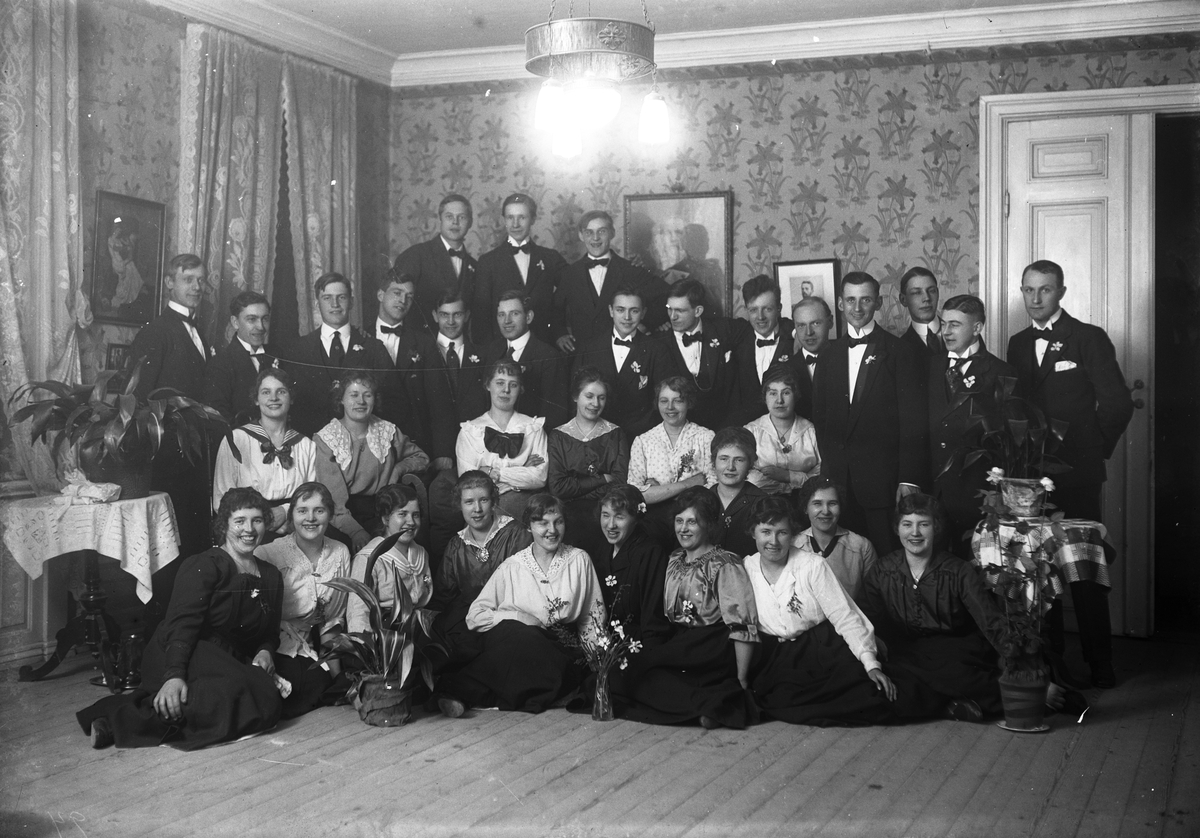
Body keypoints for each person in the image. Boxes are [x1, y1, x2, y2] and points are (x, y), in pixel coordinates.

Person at [1006, 259, 1134, 689]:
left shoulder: (1087, 338)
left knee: (1083, 570)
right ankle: (1052, 664)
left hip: (1077, 475)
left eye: (1044, 289)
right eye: (1028, 290)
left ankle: (1101, 665)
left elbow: (1117, 404)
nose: (1035, 298)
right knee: (1040, 570)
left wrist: (1092, 451)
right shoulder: (1017, 343)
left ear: (1061, 292)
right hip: (1031, 481)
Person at [77, 488, 284, 750]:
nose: (249, 530)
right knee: (246, 692)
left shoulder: (271, 575)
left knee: (262, 694)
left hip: (225, 659)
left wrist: (265, 650)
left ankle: (121, 720)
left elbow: (270, 632)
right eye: (240, 521)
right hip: (183, 650)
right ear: (224, 525)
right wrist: (174, 676)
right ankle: (120, 719)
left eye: (257, 520)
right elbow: (181, 624)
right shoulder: (205, 565)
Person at [437, 493, 605, 716]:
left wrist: (597, 660)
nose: (552, 530)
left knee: (526, 646)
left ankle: (461, 693)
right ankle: (464, 693)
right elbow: (474, 616)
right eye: (542, 523)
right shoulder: (513, 566)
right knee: (520, 636)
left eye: (558, 522)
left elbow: (592, 616)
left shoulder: (578, 560)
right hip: (517, 643)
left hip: (559, 648)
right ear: (528, 527)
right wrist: (517, 616)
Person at [744, 497, 898, 726]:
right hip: (777, 656)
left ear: (792, 535)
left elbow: (843, 614)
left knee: (869, 696)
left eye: (782, 532)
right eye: (766, 532)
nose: (773, 541)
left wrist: (870, 664)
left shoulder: (812, 565)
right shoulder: (745, 567)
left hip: (821, 649)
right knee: (781, 700)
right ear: (753, 533)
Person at [616, 487, 758, 729]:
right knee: (627, 671)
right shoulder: (675, 558)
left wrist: (742, 679)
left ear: (709, 524)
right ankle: (707, 708)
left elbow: (742, 625)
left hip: (712, 646)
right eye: (679, 521)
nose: (683, 529)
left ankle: (718, 705)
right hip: (680, 641)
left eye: (692, 522)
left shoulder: (724, 563)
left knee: (642, 673)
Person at [861, 493, 1007, 720]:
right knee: (885, 681)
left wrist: (1021, 669)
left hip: (954, 649)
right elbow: (867, 615)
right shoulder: (883, 569)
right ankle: (952, 704)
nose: (915, 533)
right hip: (908, 650)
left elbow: (990, 620)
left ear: (936, 528)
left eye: (924, 524)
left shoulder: (958, 570)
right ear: (897, 529)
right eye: (907, 524)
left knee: (954, 673)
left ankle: (953, 700)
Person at [810, 271, 927, 555]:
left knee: (886, 558)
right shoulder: (828, 355)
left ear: (878, 302)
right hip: (838, 484)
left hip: (883, 483)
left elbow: (913, 422)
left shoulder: (899, 351)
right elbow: (821, 420)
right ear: (841, 304)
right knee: (842, 561)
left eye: (865, 300)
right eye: (851, 300)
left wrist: (908, 479)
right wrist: (830, 472)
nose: (858, 308)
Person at [129, 253, 214, 607]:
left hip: (196, 457)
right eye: (187, 279)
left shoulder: (200, 330)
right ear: (169, 283)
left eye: (200, 280)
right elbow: (138, 401)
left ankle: (190, 619)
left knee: (194, 541)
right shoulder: (155, 331)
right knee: (170, 546)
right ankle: (166, 624)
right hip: (167, 459)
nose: (196, 287)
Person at [255, 482, 352, 719]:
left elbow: (332, 621)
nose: (310, 518)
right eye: (302, 511)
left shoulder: (340, 552)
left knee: (319, 682)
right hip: (270, 642)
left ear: (330, 515)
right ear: (291, 517)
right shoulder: (267, 553)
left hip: (310, 643)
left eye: (319, 510)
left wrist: (336, 676)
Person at [929, 295, 1018, 548]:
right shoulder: (930, 367)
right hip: (934, 492)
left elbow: (1011, 441)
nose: (946, 331)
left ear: (977, 328)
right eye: (943, 324)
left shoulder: (1001, 372)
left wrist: (997, 493)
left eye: (955, 324)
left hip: (976, 494)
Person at [427, 471, 533, 671]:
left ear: (493, 501)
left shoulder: (516, 533)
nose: (477, 509)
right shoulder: (456, 546)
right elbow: (443, 596)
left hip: (510, 617)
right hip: (471, 620)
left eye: (483, 500)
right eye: (469, 502)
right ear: (459, 505)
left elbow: (527, 588)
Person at [314, 371, 430, 551]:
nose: (361, 401)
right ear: (341, 399)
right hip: (343, 516)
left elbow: (422, 458)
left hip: (384, 510)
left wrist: (398, 468)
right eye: (354, 395)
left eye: (367, 395)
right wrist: (355, 532)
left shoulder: (387, 431)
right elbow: (333, 500)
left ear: (375, 400)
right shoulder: (327, 438)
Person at [277, 272, 391, 436]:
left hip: (362, 441)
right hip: (310, 441)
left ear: (351, 302)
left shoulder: (374, 348)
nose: (335, 304)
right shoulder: (297, 350)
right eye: (327, 298)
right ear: (317, 304)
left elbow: (391, 400)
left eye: (341, 297)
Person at [211, 368, 317, 538]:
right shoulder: (236, 440)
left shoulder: (306, 445)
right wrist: (261, 521)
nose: (273, 398)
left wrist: (286, 512)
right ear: (256, 399)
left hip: (295, 525)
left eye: (281, 391)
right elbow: (221, 499)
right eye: (266, 392)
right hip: (248, 529)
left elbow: (313, 496)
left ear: (291, 398)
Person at [372, 269, 457, 466]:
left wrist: (442, 451)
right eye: (397, 293)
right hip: (373, 446)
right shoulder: (360, 338)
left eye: (409, 296)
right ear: (380, 295)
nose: (403, 301)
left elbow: (440, 402)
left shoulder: (424, 343)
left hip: (415, 444)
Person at [553, 210, 666, 354]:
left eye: (602, 231)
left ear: (612, 233)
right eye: (589, 233)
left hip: (623, 353)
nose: (595, 238)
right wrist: (560, 334)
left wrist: (644, 324)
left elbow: (667, 295)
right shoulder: (570, 274)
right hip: (582, 354)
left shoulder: (630, 269)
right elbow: (554, 310)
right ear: (581, 236)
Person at [547, 367, 630, 563]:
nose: (595, 404)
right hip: (568, 515)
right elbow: (557, 487)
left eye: (601, 398)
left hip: (606, 513)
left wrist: (577, 490)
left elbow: (619, 483)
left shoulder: (615, 434)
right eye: (589, 396)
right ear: (576, 396)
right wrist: (602, 479)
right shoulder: (558, 436)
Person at [569, 284, 673, 438]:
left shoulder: (657, 350)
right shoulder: (589, 348)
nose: (627, 317)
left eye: (634, 311)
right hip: (595, 436)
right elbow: (575, 396)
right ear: (611, 311)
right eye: (620, 310)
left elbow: (662, 402)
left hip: (640, 436)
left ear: (643, 313)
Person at [628, 376, 717, 548]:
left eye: (678, 401)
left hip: (694, 520)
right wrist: (689, 484)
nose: (670, 407)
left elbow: (712, 487)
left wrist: (657, 492)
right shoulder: (643, 441)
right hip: (654, 524)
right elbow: (635, 495)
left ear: (689, 403)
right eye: (664, 401)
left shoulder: (706, 437)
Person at [454, 360, 549, 520]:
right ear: (488, 385)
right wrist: (521, 469)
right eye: (500, 383)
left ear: (521, 389)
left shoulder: (534, 428)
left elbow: (539, 478)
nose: (506, 390)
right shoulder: (470, 431)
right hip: (484, 513)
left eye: (513, 385)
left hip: (525, 509)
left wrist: (493, 473)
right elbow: (469, 486)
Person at [471, 193, 568, 345]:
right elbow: (481, 316)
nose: (515, 224)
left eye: (522, 217)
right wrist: (487, 353)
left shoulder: (550, 258)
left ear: (533, 219)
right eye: (510, 217)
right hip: (502, 347)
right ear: (504, 220)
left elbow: (572, 288)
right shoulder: (487, 262)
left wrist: (559, 331)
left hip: (543, 343)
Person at [656, 278, 750, 430]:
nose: (672, 316)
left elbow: (759, 326)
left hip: (724, 428)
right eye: (669, 309)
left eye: (680, 310)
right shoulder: (660, 341)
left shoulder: (723, 329)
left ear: (698, 311)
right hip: (681, 431)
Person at [346, 483, 432, 634]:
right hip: (387, 633)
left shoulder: (421, 553)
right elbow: (358, 612)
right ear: (385, 519)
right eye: (402, 514)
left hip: (420, 627)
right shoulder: (369, 558)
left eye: (415, 515)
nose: (411, 522)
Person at [483, 290, 570, 427]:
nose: (507, 321)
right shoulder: (493, 350)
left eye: (514, 313)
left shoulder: (548, 356)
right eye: (501, 315)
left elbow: (554, 413)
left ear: (528, 317)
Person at [393, 194, 477, 333]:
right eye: (449, 216)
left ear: (470, 222)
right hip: (420, 340)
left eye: (461, 217)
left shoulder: (475, 266)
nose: (455, 222)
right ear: (440, 220)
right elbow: (396, 305)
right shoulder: (416, 255)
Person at [793, 478, 877, 605]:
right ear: (805, 508)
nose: (825, 511)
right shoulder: (793, 546)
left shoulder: (861, 546)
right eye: (817, 503)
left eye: (832, 503)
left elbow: (872, 600)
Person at [730, 274, 796, 426]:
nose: (760, 317)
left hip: (789, 426)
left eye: (767, 309)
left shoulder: (794, 337)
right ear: (746, 310)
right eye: (753, 310)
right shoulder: (739, 339)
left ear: (779, 309)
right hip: (748, 428)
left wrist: (795, 333)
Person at [744, 366, 821, 496]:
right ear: (765, 397)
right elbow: (748, 478)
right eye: (773, 393)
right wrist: (800, 479)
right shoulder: (751, 432)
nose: (779, 400)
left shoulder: (811, 432)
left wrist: (788, 476)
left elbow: (820, 477)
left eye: (786, 393)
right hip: (761, 502)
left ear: (796, 395)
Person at [205, 291, 274, 424]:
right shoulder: (220, 364)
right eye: (252, 319)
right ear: (235, 322)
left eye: (265, 319)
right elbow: (218, 417)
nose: (261, 327)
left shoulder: (277, 355)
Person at [709, 427, 767, 559]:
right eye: (724, 459)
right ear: (714, 462)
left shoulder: (761, 503)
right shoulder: (703, 500)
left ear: (750, 463)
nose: (730, 467)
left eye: (739, 460)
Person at [787, 295, 834, 420]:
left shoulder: (847, 359)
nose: (809, 332)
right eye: (801, 325)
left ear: (830, 322)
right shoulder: (786, 369)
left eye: (816, 323)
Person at [899, 267, 944, 375]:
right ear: (903, 300)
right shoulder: (900, 347)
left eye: (931, 291)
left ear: (938, 293)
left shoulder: (962, 332)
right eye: (916, 293)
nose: (926, 298)